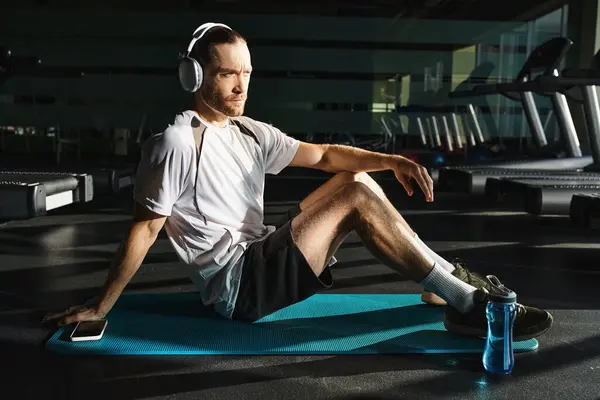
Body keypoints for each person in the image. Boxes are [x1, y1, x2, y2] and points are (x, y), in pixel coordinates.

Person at [44, 23, 552, 341]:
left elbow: (326, 154)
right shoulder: (177, 142)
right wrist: (99, 305)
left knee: (354, 177)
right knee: (354, 193)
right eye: (227, 75)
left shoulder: (247, 131)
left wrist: (391, 160)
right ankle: (466, 302)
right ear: (195, 77)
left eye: (247, 72)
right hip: (238, 288)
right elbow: (145, 228)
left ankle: (449, 282)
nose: (242, 85)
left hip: (261, 255)